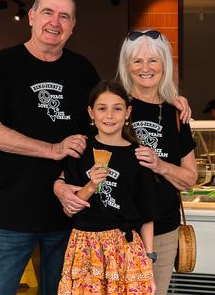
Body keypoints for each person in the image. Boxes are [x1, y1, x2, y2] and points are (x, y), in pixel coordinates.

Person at [0, 0, 100, 294]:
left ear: (72, 26)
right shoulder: (4, 63)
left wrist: (166, 98)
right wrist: (53, 149)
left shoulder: (83, 70)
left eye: (64, 16)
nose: (55, 22)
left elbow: (108, 123)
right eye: (48, 12)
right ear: (31, 17)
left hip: (67, 214)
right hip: (9, 214)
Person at [116, 29, 197, 295]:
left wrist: (159, 164)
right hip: (117, 230)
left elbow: (189, 179)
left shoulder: (176, 114)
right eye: (137, 61)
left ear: (165, 64)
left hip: (163, 231)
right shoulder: (115, 107)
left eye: (153, 60)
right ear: (127, 66)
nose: (145, 68)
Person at [57, 81, 157, 294]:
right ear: (91, 113)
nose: (109, 116)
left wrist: (148, 261)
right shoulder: (80, 150)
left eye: (117, 108)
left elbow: (147, 215)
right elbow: (70, 208)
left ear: (127, 112)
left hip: (125, 246)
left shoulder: (139, 156)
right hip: (85, 245)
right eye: (102, 108)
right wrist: (92, 185)